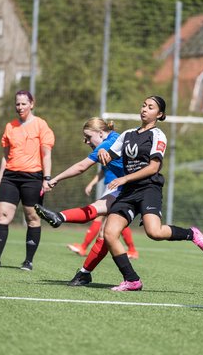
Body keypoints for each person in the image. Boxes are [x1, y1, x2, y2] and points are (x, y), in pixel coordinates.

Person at [97, 95, 203, 291]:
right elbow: (109, 157)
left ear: (159, 114)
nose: (144, 109)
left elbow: (153, 168)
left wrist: (124, 178)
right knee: (109, 234)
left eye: (150, 107)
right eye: (143, 105)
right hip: (129, 192)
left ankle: (191, 234)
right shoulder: (127, 135)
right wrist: (102, 154)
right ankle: (132, 280)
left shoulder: (158, 135)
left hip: (148, 188)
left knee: (154, 232)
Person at [35, 117, 127, 285]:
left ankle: (131, 278)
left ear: (100, 133)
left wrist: (56, 179)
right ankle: (84, 273)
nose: (85, 141)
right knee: (103, 229)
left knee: (153, 231)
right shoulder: (114, 137)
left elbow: (81, 167)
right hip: (124, 189)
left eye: (88, 137)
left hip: (134, 191)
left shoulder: (106, 144)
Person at [0, 90, 55, 270]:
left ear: (31, 104)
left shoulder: (41, 125)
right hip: (10, 177)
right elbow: (5, 157)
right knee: (2, 215)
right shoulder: (10, 127)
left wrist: (46, 178)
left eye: (23, 103)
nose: (20, 107)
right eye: (17, 104)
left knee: (32, 218)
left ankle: (28, 261)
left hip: (33, 178)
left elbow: (46, 155)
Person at [66, 167, 139, 259]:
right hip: (109, 187)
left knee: (112, 218)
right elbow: (103, 171)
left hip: (116, 186)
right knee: (115, 219)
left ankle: (84, 247)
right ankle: (132, 250)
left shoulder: (115, 153)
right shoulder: (104, 156)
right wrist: (91, 184)